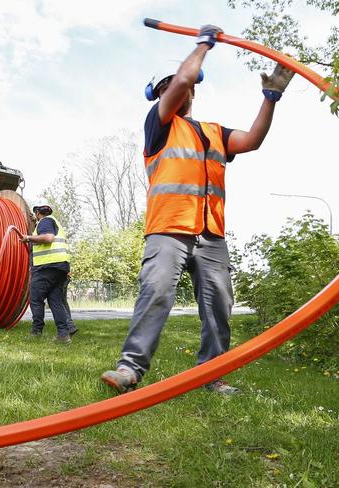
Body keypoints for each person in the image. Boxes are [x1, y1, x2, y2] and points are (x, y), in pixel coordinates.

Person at [101, 25, 295, 395]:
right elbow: (184, 77)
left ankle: (211, 376)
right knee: (156, 292)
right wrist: (203, 45)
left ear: (194, 91)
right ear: (159, 94)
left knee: (220, 303)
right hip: (169, 229)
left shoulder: (215, 132)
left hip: (211, 234)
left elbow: (252, 140)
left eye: (180, 85)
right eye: (167, 87)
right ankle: (130, 368)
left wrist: (270, 97)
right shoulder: (158, 125)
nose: (175, 89)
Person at [21, 202, 74, 343]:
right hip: (60, 267)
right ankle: (63, 335)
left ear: (39, 214)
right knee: (55, 301)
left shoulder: (45, 222)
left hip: (46, 267)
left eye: (36, 215)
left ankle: (36, 331)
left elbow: (48, 238)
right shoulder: (55, 222)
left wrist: (28, 238)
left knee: (36, 299)